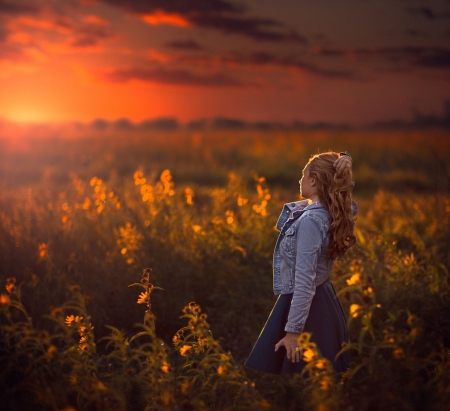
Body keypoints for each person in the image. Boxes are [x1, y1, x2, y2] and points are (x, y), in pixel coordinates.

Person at [245, 152, 356, 374]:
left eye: (303, 175)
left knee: (305, 386)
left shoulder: (311, 221)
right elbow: (351, 204)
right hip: (324, 299)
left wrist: (294, 332)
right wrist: (346, 158)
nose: (300, 180)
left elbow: (305, 281)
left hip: (310, 310)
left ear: (313, 180)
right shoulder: (331, 212)